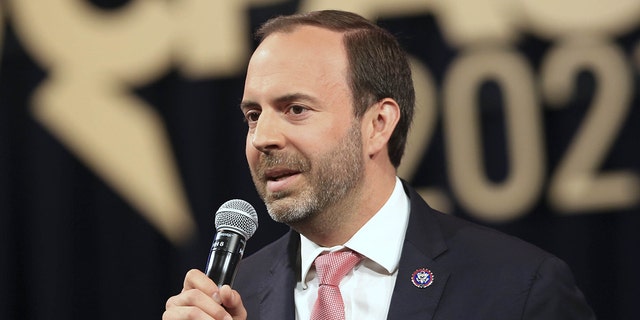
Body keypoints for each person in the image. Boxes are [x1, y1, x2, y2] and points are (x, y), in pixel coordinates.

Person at [163, 10, 595, 320]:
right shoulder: (233, 298)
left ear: (378, 124)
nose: (262, 138)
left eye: (295, 109)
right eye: (253, 116)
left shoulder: (517, 287)